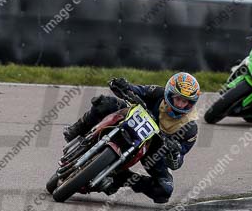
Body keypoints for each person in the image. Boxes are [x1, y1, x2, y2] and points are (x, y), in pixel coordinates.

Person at [63, 72, 200, 203]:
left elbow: (177, 163)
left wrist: (174, 153)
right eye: (178, 99)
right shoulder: (157, 92)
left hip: (154, 149)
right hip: (133, 119)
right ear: (169, 94)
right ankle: (77, 129)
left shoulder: (190, 129)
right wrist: (122, 85)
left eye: (186, 102)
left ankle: (121, 178)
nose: (181, 105)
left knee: (164, 190)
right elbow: (135, 90)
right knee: (105, 103)